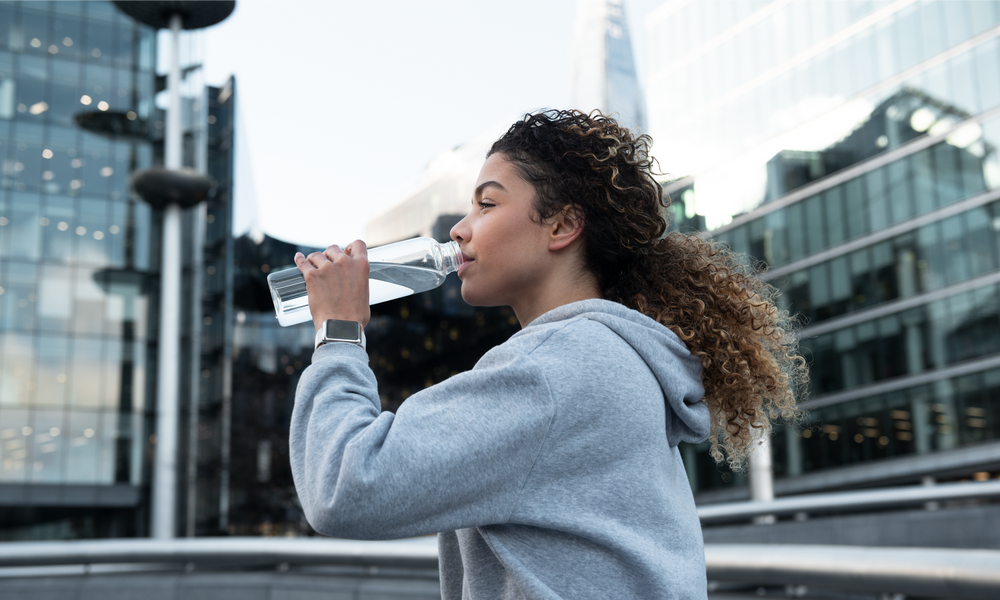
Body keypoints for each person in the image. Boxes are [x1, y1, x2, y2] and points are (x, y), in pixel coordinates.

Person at [289, 109, 807, 599]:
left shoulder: (557, 368)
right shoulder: (608, 358)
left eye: (487, 205)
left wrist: (339, 329)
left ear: (561, 226)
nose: (460, 229)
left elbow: (343, 485)